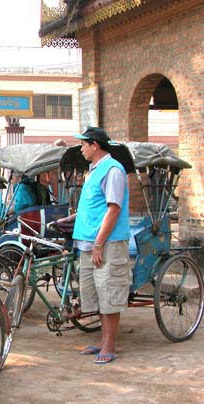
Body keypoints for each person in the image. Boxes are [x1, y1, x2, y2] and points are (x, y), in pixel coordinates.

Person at [71, 126, 131, 364]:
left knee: (109, 293)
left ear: (95, 145)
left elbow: (113, 208)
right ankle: (101, 340)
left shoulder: (113, 170)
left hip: (107, 243)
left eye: (83, 144)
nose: (81, 148)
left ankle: (109, 345)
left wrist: (98, 243)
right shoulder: (92, 171)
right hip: (88, 243)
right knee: (95, 294)